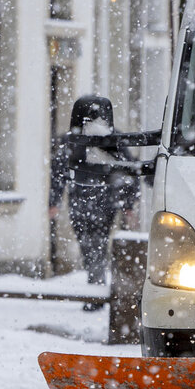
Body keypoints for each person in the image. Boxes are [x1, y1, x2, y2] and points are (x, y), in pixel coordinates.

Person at [49, 95, 137, 309]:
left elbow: (128, 171)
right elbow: (129, 171)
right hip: (94, 202)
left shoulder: (77, 140)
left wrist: (128, 204)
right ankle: (96, 288)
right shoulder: (105, 140)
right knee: (93, 246)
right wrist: (128, 204)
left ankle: (96, 292)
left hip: (95, 202)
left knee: (93, 246)